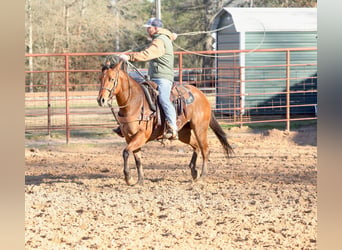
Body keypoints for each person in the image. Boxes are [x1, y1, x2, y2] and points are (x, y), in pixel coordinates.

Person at [118, 17, 178, 140]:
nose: (147, 30)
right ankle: (130, 123)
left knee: (163, 98)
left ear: (156, 28)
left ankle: (173, 126)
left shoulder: (159, 41)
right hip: (155, 76)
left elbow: (147, 54)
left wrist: (129, 57)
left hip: (162, 77)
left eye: (149, 28)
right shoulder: (162, 38)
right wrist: (171, 36)